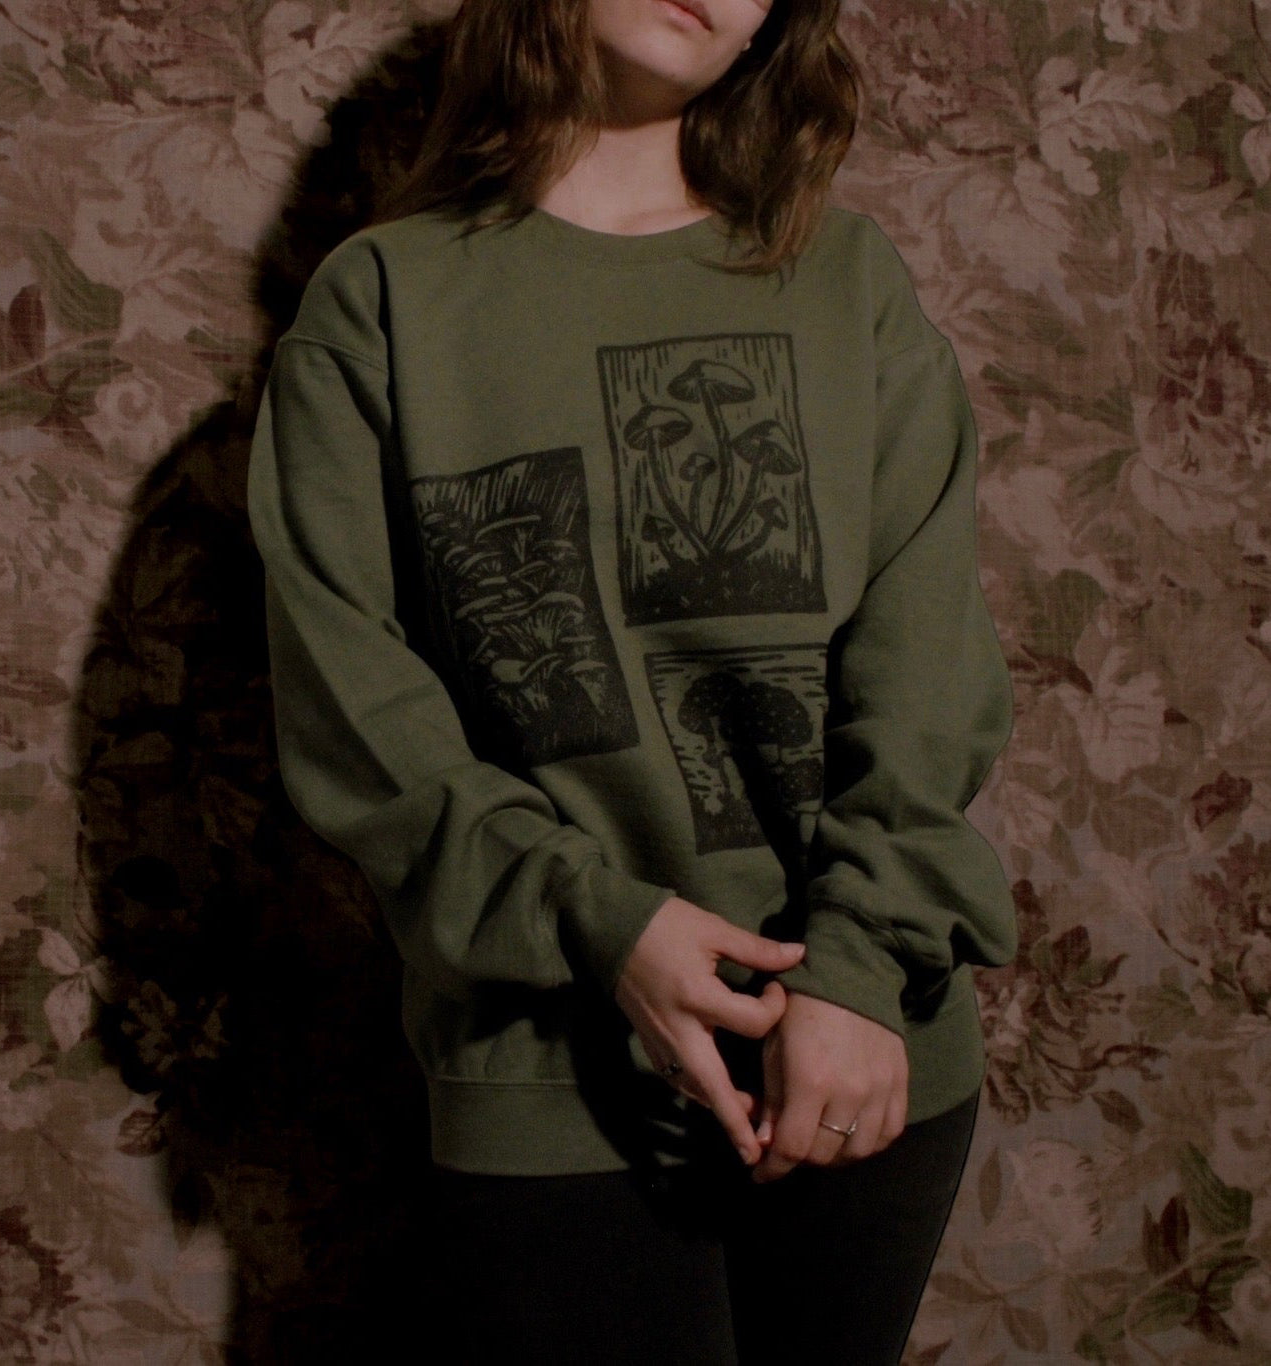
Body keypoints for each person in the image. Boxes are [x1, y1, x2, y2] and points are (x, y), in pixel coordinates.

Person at [246, 0, 1018, 1360]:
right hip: (552, 1064)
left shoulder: (845, 280)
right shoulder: (381, 303)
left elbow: (926, 664)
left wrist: (853, 972)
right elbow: (356, 712)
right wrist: (600, 923)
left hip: (848, 1042)